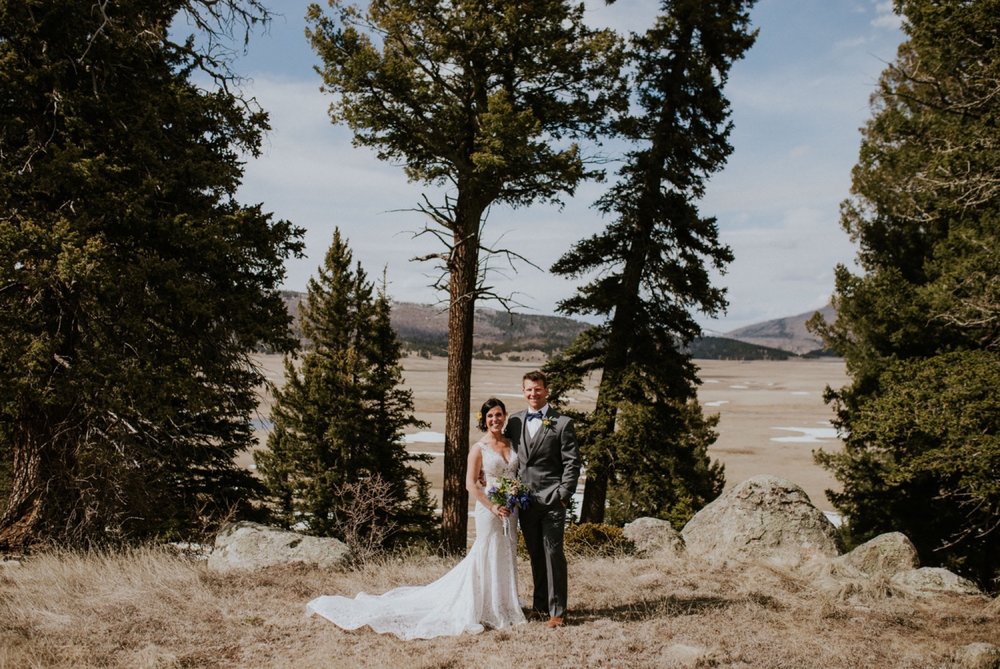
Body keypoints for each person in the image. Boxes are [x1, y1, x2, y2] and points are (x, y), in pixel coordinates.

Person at [306, 397, 527, 640]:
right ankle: (487, 607)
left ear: (505, 416)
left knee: (507, 551)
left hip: (511, 509)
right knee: (486, 552)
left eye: (498, 414)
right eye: (490, 416)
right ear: (484, 421)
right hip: (489, 509)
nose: (495, 420)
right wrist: (493, 506)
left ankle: (506, 603)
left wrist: (512, 496)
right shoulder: (479, 448)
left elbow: (516, 474)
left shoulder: (511, 443)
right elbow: (470, 484)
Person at [504, 370, 580, 628]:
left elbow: (572, 463)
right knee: (535, 553)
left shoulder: (562, 423)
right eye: (528, 389)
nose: (533, 394)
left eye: (537, 389)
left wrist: (564, 494)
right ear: (523, 391)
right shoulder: (514, 421)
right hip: (525, 502)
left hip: (552, 501)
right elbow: (507, 455)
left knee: (553, 552)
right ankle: (539, 606)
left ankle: (558, 611)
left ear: (546, 390)